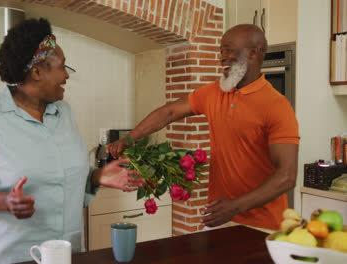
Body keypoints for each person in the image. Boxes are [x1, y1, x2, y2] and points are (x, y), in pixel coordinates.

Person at [0, 18, 144, 264]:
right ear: (37, 72)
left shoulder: (64, 113)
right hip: (7, 254)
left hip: (64, 252)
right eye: (62, 66)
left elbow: (61, 175)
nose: (66, 76)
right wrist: (4, 200)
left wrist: (96, 176)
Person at [108, 24, 299, 232]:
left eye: (229, 50)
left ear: (253, 53)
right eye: (221, 52)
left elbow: (287, 176)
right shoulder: (214, 93)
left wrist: (235, 206)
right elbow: (169, 112)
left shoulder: (276, 105)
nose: (222, 58)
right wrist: (130, 139)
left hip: (264, 226)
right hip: (220, 218)